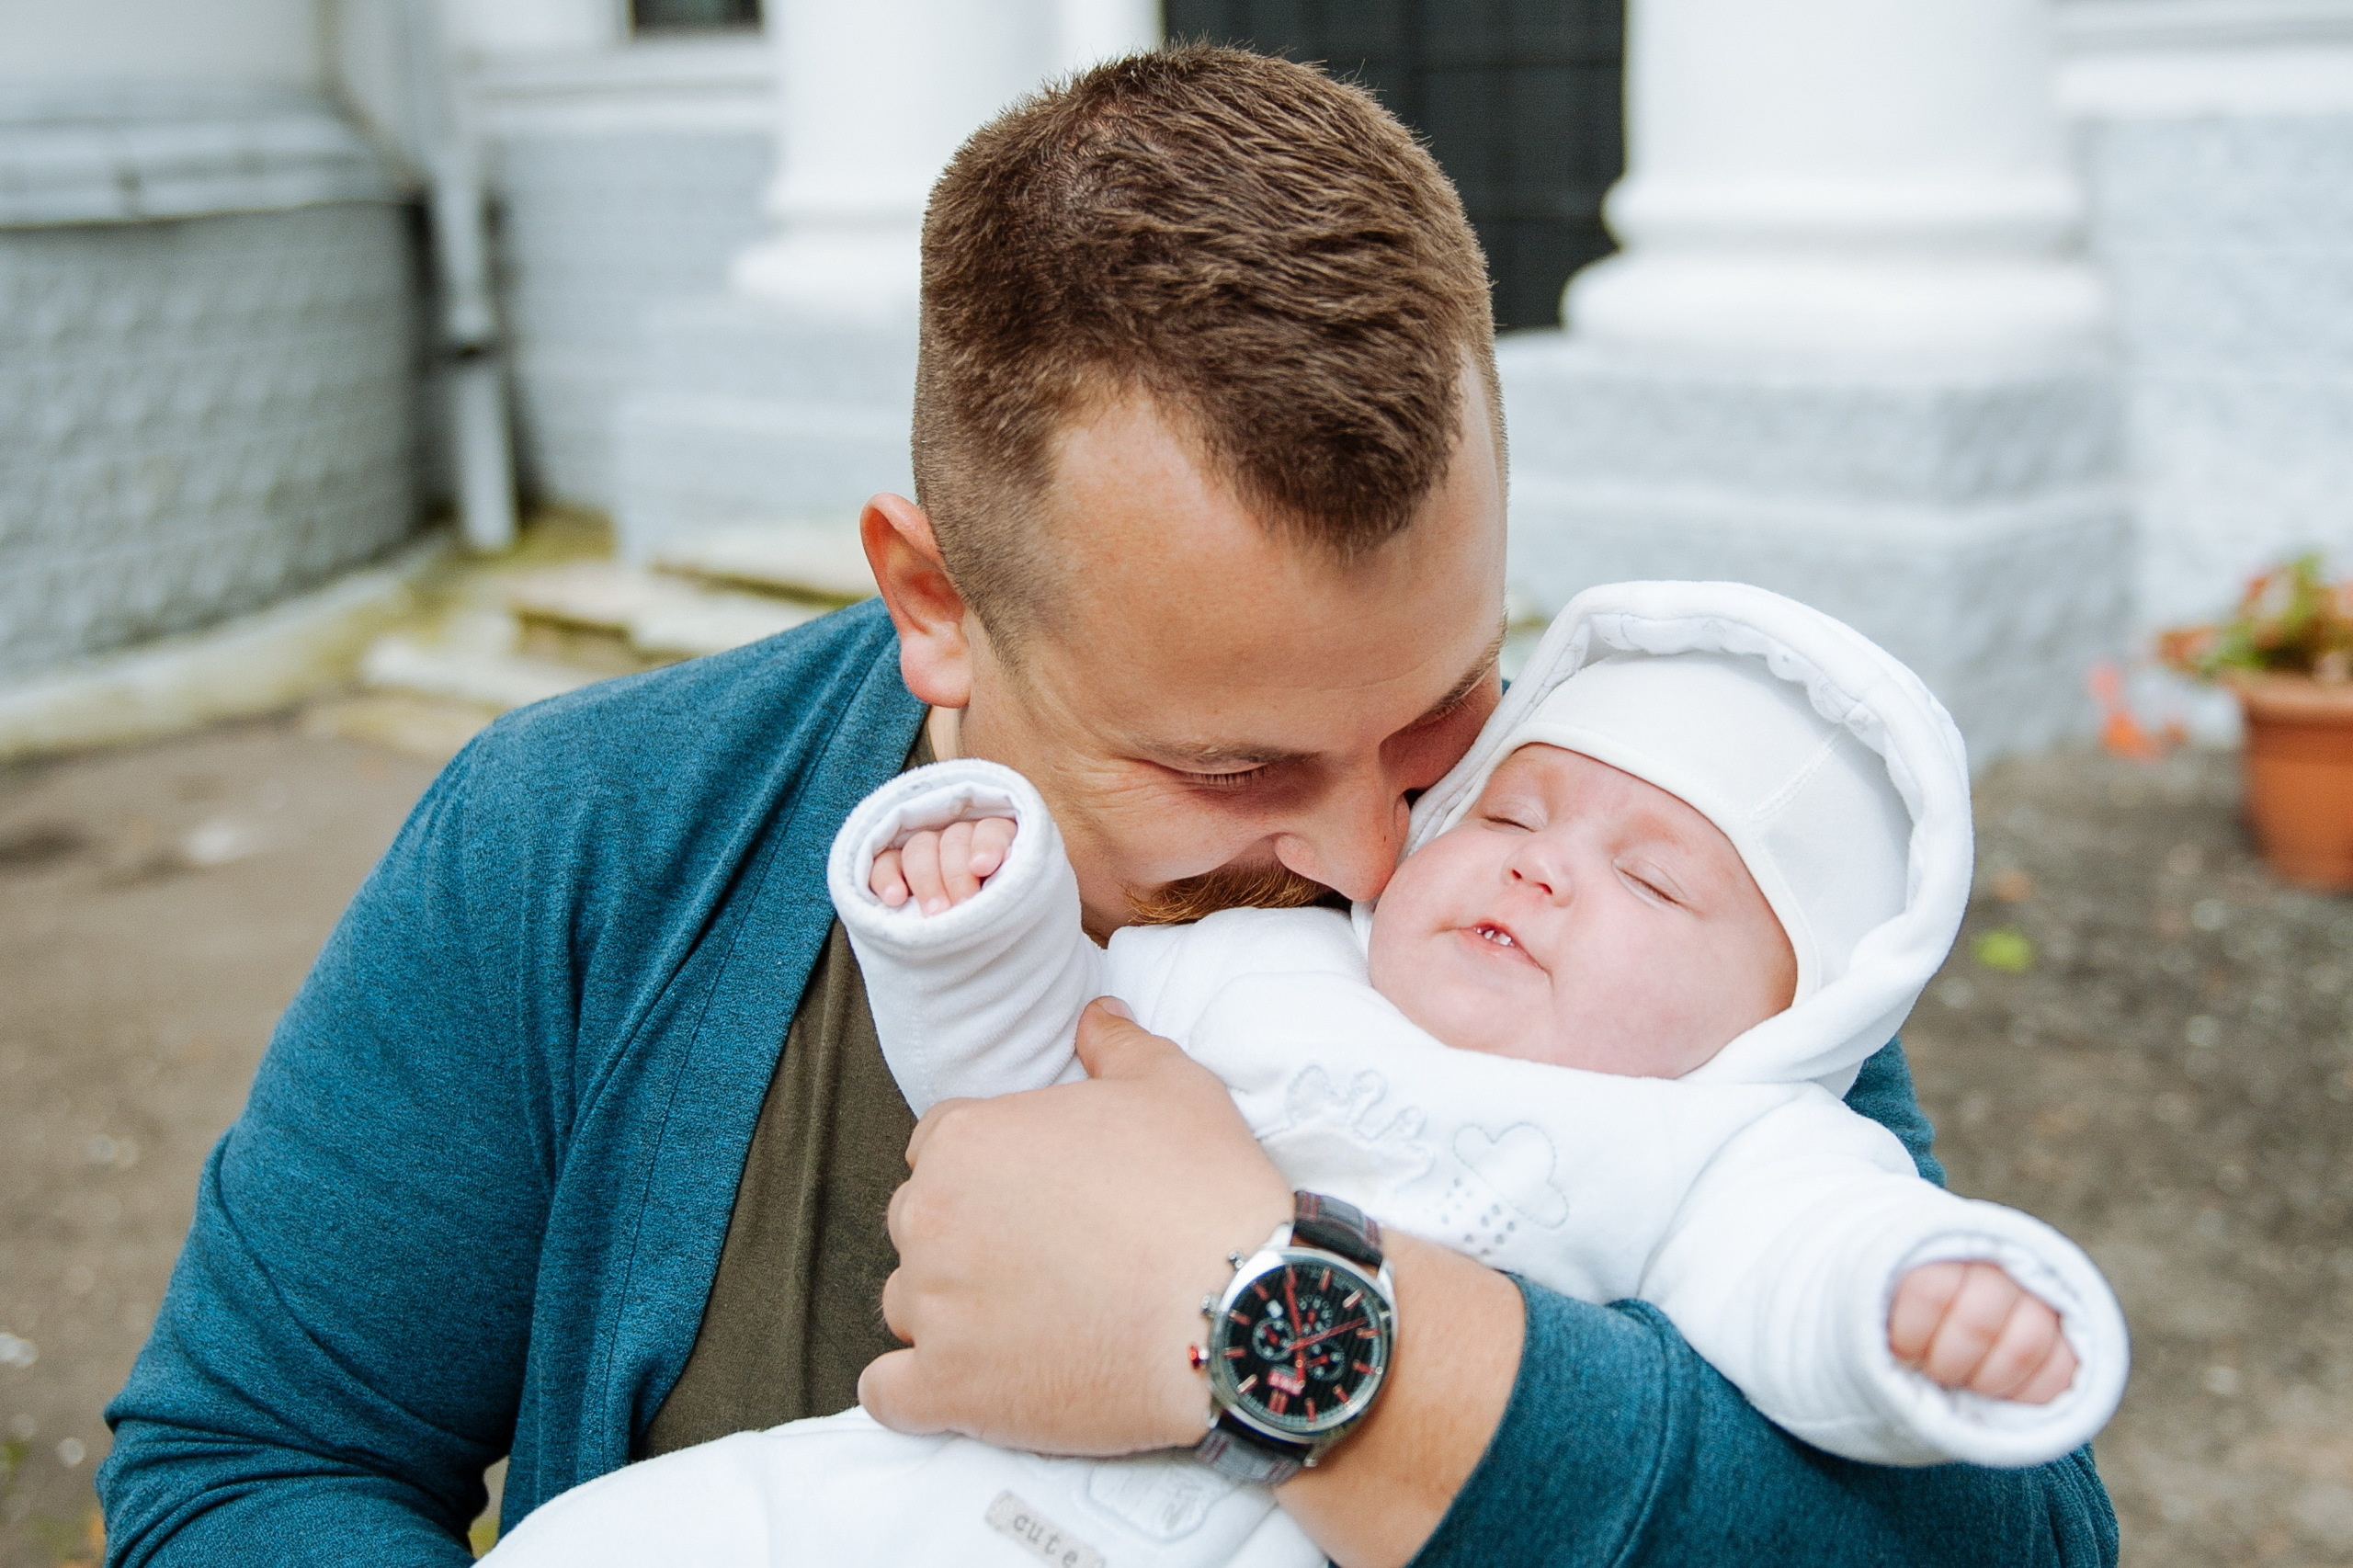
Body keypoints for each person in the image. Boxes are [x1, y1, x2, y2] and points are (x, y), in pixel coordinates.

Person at [97, 48, 2119, 1568]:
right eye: (1231, 768)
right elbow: (249, 1466)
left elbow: (2010, 1533)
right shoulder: (585, 838)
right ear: (933, 605)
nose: (1374, 855)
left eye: (1440, 711)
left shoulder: (1613, 876)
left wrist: (1280, 1337)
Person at [477, 581, 2128, 1568]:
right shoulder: (1260, 966)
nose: (1543, 864)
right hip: (922, 1502)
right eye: (1513, 811)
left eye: (1652, 879)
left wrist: (1918, 1312)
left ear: (1788, 1015)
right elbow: (1018, 1087)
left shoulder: (1731, 1140)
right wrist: (972, 924)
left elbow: (1819, 1281)